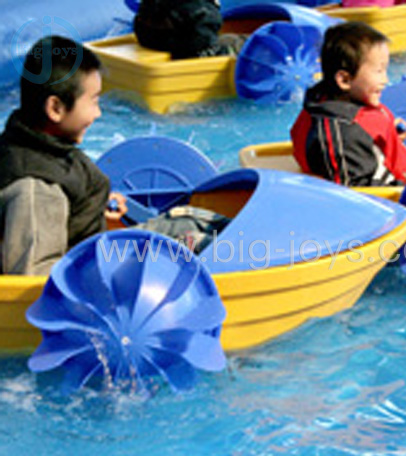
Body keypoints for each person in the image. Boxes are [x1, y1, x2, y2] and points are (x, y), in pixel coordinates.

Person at [0, 36, 127, 275]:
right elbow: (32, 280)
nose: (98, 113)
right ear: (55, 108)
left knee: (192, 230)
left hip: (94, 255)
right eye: (93, 101)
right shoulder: (36, 188)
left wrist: (97, 212)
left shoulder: (40, 147)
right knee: (201, 243)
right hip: (88, 285)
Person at [290, 21, 406, 187]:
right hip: (396, 193)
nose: (385, 80)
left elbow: (363, 133)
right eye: (379, 71)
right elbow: (357, 194)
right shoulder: (341, 136)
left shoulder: (336, 102)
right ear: (344, 80)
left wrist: (388, 138)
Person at [134, 0, 246, 59]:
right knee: (241, 45)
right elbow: (203, 34)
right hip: (187, 44)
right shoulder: (200, 8)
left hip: (147, 37)